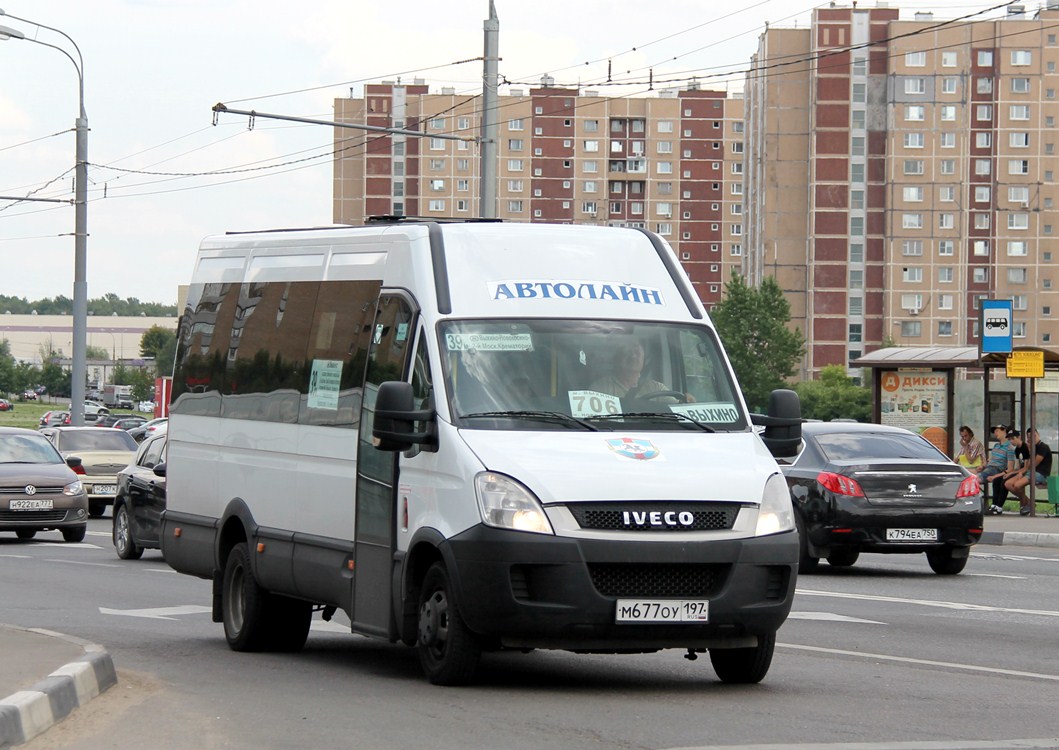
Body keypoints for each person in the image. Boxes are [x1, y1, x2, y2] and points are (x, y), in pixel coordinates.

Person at [591, 339, 681, 403]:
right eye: (627, 352)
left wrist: (686, 403)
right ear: (616, 359)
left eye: (637, 352)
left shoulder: (657, 388)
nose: (633, 356)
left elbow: (677, 409)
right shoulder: (601, 388)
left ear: (644, 359)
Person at [1004, 428, 1053, 516]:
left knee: (1017, 485)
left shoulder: (1043, 447)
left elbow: (1032, 465)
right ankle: (1029, 503)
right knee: (1008, 484)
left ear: (1038, 435)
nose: (1031, 439)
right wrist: (1019, 472)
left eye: (1033, 436)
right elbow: (1026, 466)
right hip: (1029, 472)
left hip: (1041, 474)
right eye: (1029, 437)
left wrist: (1030, 451)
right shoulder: (1027, 448)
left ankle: (1027, 504)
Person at [978, 424, 1015, 515]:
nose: (995, 433)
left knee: (974, 480)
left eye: (997, 430)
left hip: (996, 469)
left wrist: (995, 476)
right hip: (988, 468)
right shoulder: (996, 446)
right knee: (967, 473)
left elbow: (1010, 468)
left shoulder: (1009, 448)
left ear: (1004, 431)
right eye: (994, 431)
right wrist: (982, 466)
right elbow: (990, 460)